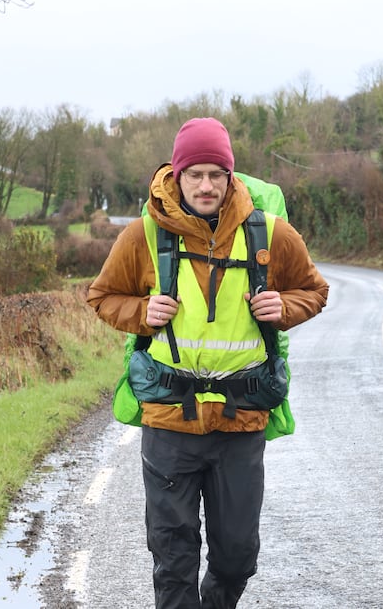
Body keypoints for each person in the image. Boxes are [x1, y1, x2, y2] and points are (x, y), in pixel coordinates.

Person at [86, 117, 329, 608]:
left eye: (216, 174)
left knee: (237, 556)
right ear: (177, 176)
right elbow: (102, 296)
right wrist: (141, 312)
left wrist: (285, 306)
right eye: (195, 174)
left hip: (241, 422)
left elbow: (315, 290)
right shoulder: (144, 236)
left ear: (230, 177)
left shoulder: (270, 235)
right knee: (173, 557)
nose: (205, 185)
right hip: (170, 421)